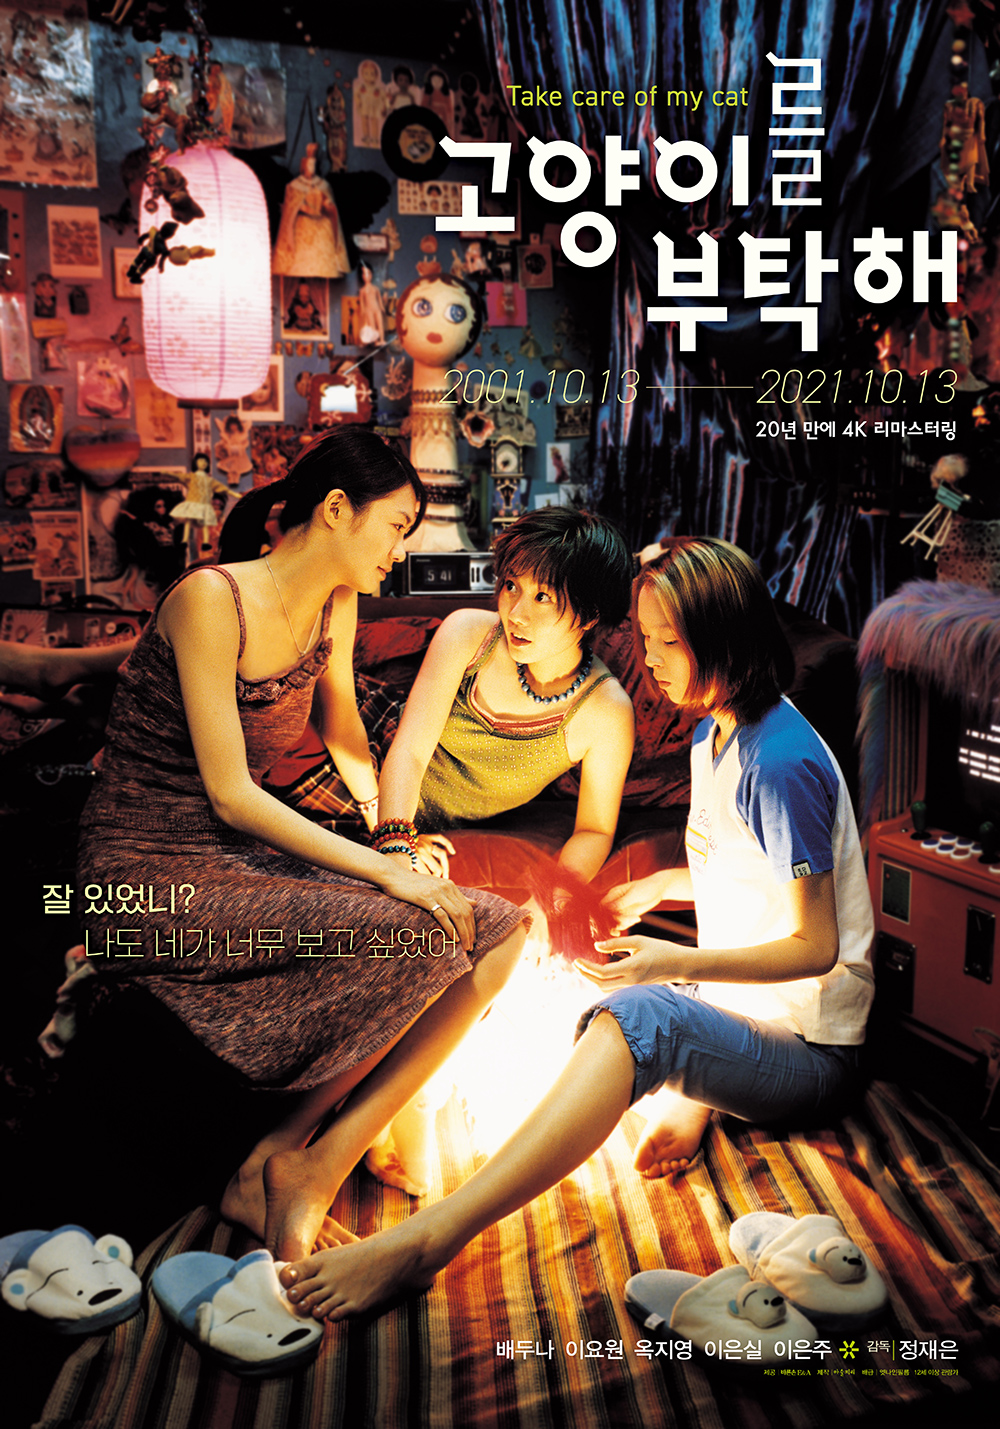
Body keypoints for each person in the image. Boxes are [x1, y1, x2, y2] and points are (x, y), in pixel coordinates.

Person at [274, 536, 875, 1322]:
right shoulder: (715, 731)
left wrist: (669, 962)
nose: (649, 661)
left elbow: (816, 946)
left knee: (640, 1015)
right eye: (645, 638)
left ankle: (427, 1242)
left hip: (812, 1052)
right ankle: (342, 1143)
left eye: (667, 642)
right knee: (545, 985)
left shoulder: (782, 762)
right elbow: (749, 872)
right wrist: (658, 886)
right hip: (743, 1010)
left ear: (722, 639)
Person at [74, 427, 528, 1264]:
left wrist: (393, 832)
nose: (402, 549)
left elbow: (345, 729)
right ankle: (273, 1166)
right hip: (142, 868)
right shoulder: (210, 598)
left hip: (231, 858)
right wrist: (383, 871)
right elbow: (231, 793)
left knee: (498, 930)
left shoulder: (335, 604)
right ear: (336, 509)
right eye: (395, 527)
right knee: (419, 924)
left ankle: (301, 1160)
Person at [376, 506, 635, 882]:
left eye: (542, 597)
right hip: (366, 769)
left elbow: (594, 831)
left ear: (589, 614)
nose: (515, 613)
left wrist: (553, 901)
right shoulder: (469, 633)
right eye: (512, 585)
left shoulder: (606, 712)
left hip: (419, 829)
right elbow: (410, 752)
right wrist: (397, 848)